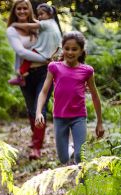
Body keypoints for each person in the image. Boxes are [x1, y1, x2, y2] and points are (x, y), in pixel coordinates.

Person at [35, 31, 104, 164]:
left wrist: (99, 122)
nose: (70, 52)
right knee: (63, 158)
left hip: (79, 117)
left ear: (81, 51)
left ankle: (83, 183)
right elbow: (44, 92)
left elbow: (95, 96)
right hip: (59, 117)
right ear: (62, 48)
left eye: (74, 49)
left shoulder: (87, 71)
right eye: (67, 48)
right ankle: (71, 149)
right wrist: (38, 112)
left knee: (80, 156)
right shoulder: (54, 67)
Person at [6, 0, 52, 160]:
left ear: (30, 10)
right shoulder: (12, 30)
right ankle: (36, 138)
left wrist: (50, 59)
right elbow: (21, 51)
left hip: (45, 73)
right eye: (19, 8)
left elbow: (52, 38)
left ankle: (37, 147)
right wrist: (44, 57)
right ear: (15, 11)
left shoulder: (38, 26)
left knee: (41, 108)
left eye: (25, 8)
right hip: (25, 75)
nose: (22, 11)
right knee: (32, 110)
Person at [8, 3, 62, 86]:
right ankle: (20, 75)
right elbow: (20, 51)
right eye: (38, 15)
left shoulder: (45, 23)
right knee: (21, 53)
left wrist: (16, 24)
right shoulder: (53, 23)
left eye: (41, 14)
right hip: (48, 55)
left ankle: (20, 75)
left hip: (44, 62)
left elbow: (28, 26)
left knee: (27, 56)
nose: (39, 17)